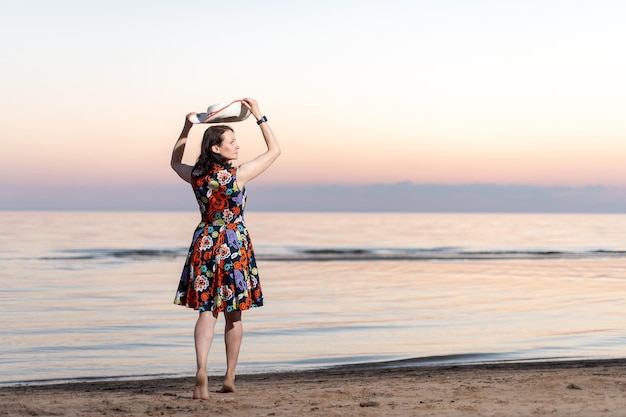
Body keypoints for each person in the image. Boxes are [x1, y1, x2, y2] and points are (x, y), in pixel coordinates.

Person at [170, 98, 280, 400]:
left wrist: (187, 126)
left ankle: (201, 371)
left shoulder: (196, 176)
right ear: (216, 148)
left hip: (205, 242)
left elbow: (175, 160)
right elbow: (275, 151)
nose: (237, 146)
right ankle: (229, 376)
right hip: (233, 244)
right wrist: (259, 116)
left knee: (207, 312)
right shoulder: (237, 175)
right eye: (232, 141)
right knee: (234, 315)